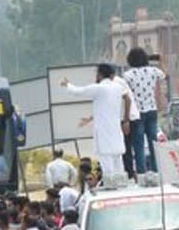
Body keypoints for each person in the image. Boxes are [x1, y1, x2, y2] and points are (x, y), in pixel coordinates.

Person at [62, 64, 131, 180]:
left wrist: (67, 85)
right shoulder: (118, 88)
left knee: (106, 162)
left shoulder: (99, 88)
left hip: (104, 132)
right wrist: (91, 118)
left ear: (99, 74)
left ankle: (111, 184)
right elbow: (105, 107)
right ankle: (121, 183)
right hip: (115, 131)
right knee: (118, 162)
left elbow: (78, 92)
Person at [124, 46, 167, 174]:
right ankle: (155, 170)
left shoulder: (127, 75)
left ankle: (142, 172)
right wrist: (161, 60)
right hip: (152, 110)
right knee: (153, 143)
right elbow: (165, 75)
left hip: (136, 113)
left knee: (138, 145)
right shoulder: (153, 71)